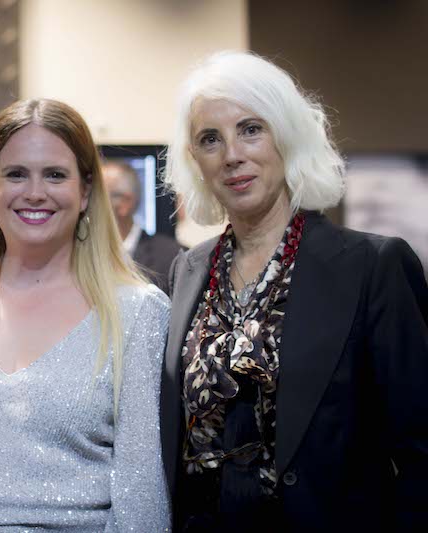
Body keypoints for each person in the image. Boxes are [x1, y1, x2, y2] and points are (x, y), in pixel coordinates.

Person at [161, 51, 428, 532]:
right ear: (194, 161)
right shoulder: (187, 271)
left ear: (288, 134)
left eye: (250, 129)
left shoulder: (373, 267)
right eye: (209, 139)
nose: (232, 155)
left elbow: (421, 448)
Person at [0, 99, 171, 531]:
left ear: (85, 191)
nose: (35, 192)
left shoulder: (137, 313)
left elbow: (142, 493)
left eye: (55, 175)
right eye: (16, 174)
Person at [102, 159, 182, 294]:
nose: (85, 203)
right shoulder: (76, 256)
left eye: (97, 196)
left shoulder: (174, 259)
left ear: (124, 203)